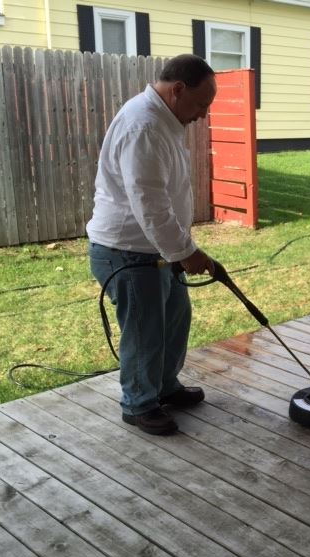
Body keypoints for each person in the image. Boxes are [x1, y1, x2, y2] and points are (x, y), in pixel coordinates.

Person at [87, 54, 217, 436]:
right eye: (201, 104)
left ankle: (164, 386)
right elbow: (150, 204)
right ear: (178, 90)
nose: (202, 115)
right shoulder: (143, 125)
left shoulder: (163, 119)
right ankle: (138, 403)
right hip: (126, 250)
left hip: (157, 248)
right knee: (145, 330)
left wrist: (179, 250)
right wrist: (187, 252)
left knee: (175, 316)